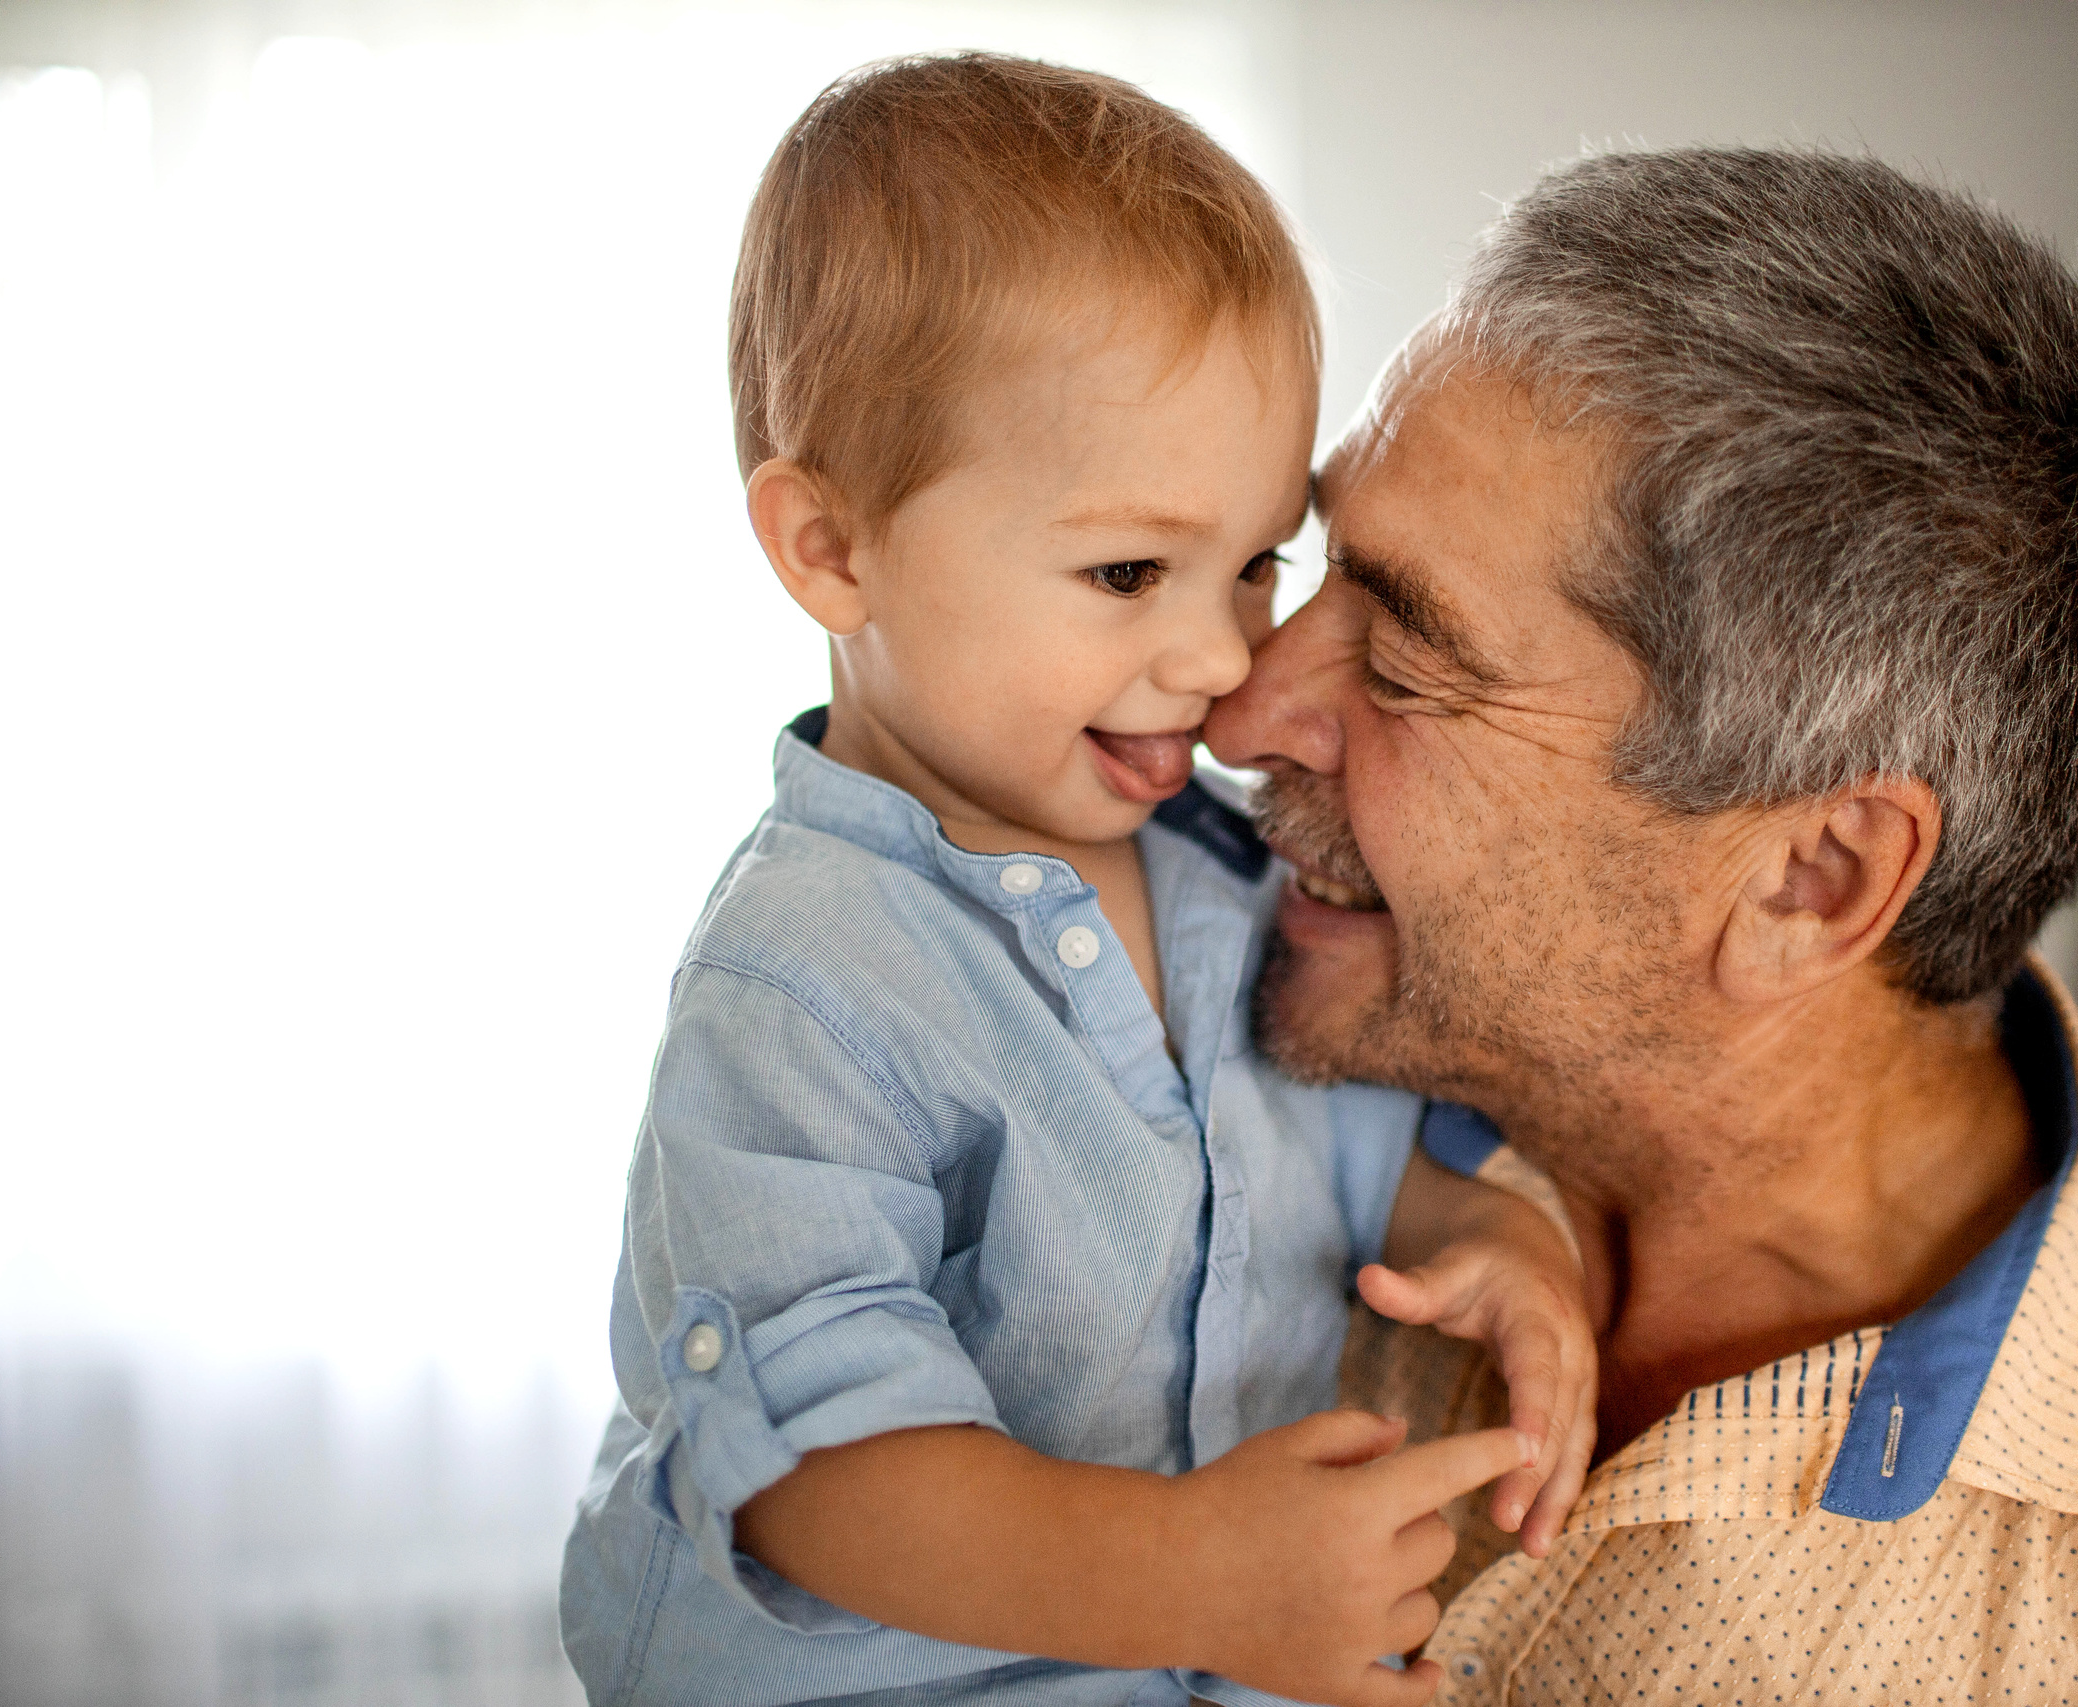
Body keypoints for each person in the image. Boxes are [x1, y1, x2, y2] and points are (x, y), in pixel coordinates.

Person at [1206, 147, 2078, 1702]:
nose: (1239, 708)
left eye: (1403, 663)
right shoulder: (1143, 1017)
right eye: (1303, 570)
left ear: (1811, 881)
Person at [558, 55, 1598, 1707]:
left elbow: (1328, 1160)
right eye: (1128, 572)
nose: (1215, 657)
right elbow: (828, 1475)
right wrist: (1203, 1580)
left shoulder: (1222, 869)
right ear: (833, 550)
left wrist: (1496, 1241)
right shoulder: (807, 975)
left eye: (1257, 561)